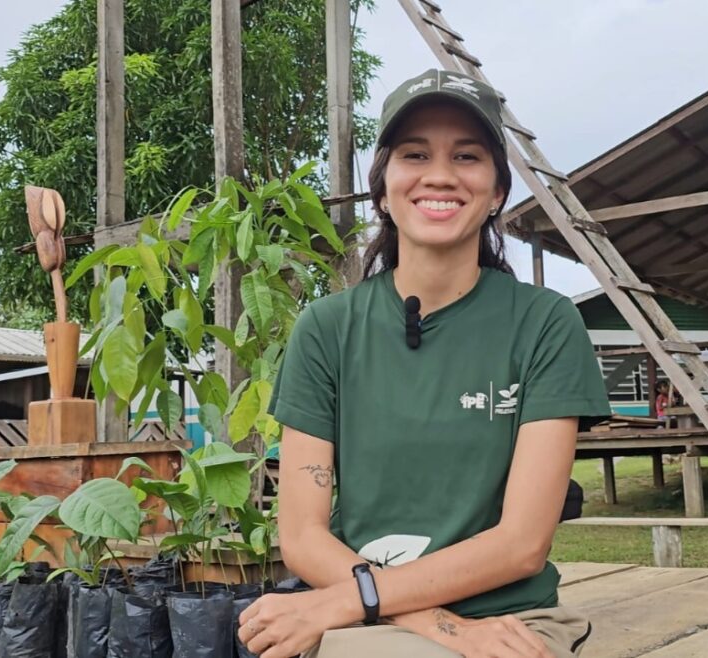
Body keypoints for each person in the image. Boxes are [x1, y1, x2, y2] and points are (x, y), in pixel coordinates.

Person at [238, 69, 611, 658]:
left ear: (496, 193)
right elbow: (304, 536)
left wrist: (348, 601)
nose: (440, 175)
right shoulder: (326, 330)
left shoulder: (544, 323)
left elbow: (521, 545)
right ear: (383, 189)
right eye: (415, 154)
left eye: (467, 156)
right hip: (360, 620)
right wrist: (437, 624)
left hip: (511, 618)